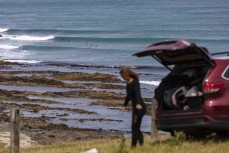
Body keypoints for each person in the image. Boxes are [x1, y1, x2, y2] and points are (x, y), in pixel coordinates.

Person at [119, 66, 146, 148]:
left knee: (135, 128)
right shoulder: (128, 83)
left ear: (126, 75)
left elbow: (138, 93)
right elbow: (128, 96)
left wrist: (138, 104)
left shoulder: (135, 82)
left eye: (122, 76)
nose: (122, 78)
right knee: (135, 127)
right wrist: (124, 106)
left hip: (140, 108)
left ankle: (133, 147)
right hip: (135, 108)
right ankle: (141, 146)